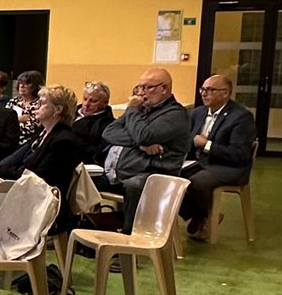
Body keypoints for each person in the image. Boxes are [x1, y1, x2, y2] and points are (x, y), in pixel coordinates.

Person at [0, 84, 86, 236]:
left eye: (42, 103)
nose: (36, 107)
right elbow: (13, 160)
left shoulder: (63, 140)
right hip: (25, 188)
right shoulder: (43, 133)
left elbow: (36, 179)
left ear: (58, 110)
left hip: (41, 200)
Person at [93, 68, 190, 233]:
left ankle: (128, 241)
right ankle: (77, 229)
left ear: (164, 89)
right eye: (140, 87)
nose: (141, 93)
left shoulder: (175, 114)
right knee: (82, 180)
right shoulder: (142, 109)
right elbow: (109, 132)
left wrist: (131, 112)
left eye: (147, 87)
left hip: (155, 173)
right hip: (125, 170)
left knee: (134, 185)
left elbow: (144, 135)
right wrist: (140, 144)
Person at [179, 74, 255, 239]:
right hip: (199, 162)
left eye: (210, 90)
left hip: (228, 166)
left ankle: (203, 217)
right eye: (203, 89)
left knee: (196, 182)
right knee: (168, 176)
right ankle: (201, 216)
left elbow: (239, 154)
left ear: (225, 93)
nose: (204, 94)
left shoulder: (241, 117)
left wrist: (206, 145)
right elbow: (186, 139)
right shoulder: (197, 113)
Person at [74, 81, 115, 161]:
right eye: (85, 99)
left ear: (105, 103)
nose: (87, 104)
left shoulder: (107, 125)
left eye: (93, 101)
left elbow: (97, 152)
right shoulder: (69, 113)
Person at [7, 70, 45, 144]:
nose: (22, 86)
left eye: (26, 83)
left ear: (35, 86)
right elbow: (3, 122)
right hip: (10, 140)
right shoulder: (13, 102)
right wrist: (17, 120)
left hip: (30, 142)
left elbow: (36, 127)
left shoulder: (40, 103)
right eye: (20, 83)